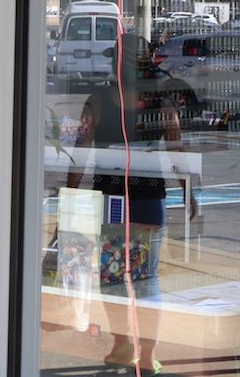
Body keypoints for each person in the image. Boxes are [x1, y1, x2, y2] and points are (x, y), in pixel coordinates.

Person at [66, 33, 197, 375]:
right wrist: (189, 192)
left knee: (112, 275)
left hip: (112, 198)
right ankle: (146, 353)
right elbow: (176, 147)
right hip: (148, 197)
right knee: (146, 278)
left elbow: (81, 150)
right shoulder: (160, 102)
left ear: (117, 64)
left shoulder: (97, 100)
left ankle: (122, 344)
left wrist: (72, 192)